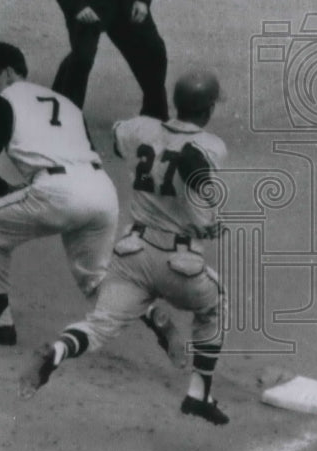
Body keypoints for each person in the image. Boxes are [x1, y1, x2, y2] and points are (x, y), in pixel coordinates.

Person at [19, 69, 230, 426]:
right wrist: (212, 226)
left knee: (99, 325)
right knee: (214, 304)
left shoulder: (140, 128)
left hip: (131, 255)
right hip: (178, 264)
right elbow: (202, 211)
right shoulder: (213, 147)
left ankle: (57, 352)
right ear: (208, 110)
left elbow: (116, 138)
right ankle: (199, 394)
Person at [0, 42, 120, 345]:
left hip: (59, 194)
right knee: (95, 278)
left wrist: (8, 190)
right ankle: (151, 315)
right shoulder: (66, 103)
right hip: (103, 191)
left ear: (6, 72)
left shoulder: (1, 102)